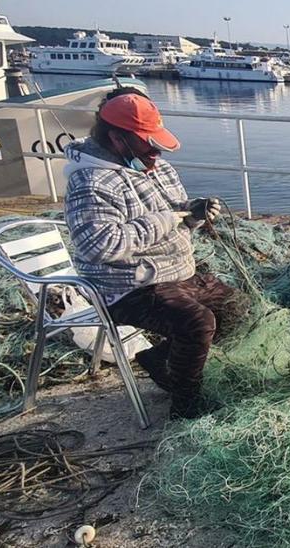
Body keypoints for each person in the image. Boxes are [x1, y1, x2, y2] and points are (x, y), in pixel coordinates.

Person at [63, 88, 240, 419]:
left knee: (238, 308)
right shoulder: (91, 183)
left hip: (177, 274)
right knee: (197, 322)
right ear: (117, 138)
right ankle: (185, 403)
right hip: (129, 288)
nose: (156, 151)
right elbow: (98, 245)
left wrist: (194, 215)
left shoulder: (157, 168)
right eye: (147, 142)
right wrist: (164, 220)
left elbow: (177, 219)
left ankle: (160, 359)